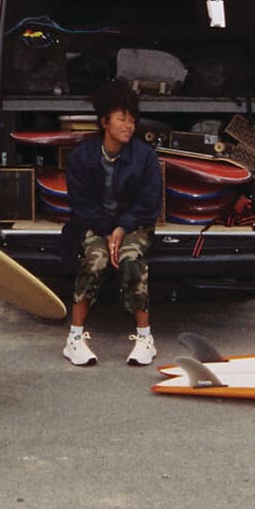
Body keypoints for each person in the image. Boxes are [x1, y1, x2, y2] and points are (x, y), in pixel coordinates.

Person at [61, 80, 163, 366]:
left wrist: (121, 229)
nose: (129, 126)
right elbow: (79, 204)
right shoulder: (82, 156)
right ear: (105, 121)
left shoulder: (144, 156)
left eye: (132, 120)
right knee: (95, 259)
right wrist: (107, 231)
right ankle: (75, 338)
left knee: (131, 257)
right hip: (94, 224)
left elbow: (149, 203)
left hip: (135, 226)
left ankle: (145, 338)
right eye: (122, 119)